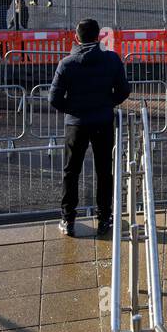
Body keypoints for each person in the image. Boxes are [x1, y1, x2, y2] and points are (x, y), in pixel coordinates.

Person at [48, 18, 131, 237]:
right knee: (104, 171)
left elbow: (54, 98)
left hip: (76, 123)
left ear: (76, 37)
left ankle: (68, 219)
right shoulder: (112, 59)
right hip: (103, 121)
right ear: (98, 37)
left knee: (71, 171)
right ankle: (105, 218)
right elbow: (123, 91)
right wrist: (107, 103)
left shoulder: (67, 63)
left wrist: (73, 108)